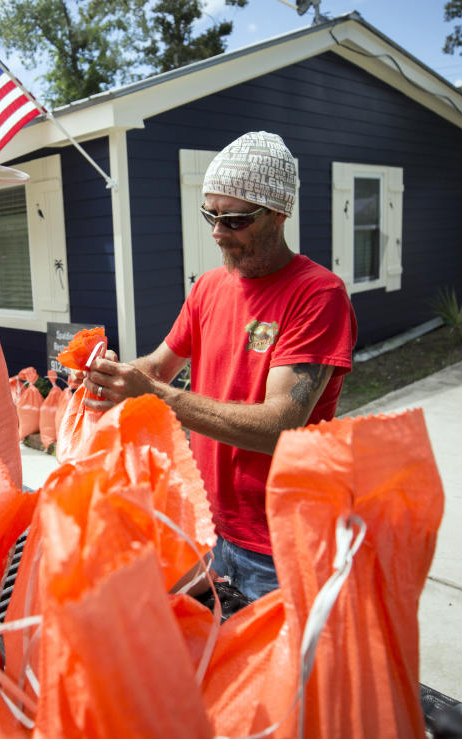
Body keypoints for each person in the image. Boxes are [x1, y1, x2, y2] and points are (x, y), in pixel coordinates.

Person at [81, 131, 357, 600]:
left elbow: (279, 426)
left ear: (278, 213)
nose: (217, 231)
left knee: (279, 674)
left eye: (234, 219)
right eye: (210, 214)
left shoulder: (318, 295)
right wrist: (113, 373)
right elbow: (159, 366)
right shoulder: (209, 287)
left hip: (277, 540)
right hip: (205, 521)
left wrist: (155, 396)